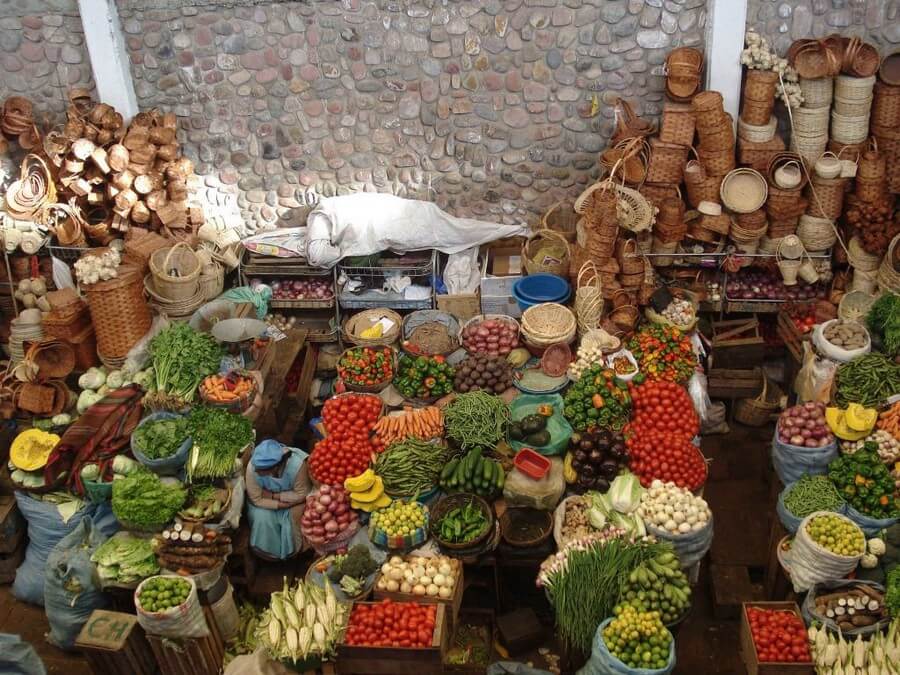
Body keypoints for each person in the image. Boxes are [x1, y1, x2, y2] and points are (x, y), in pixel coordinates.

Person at [245, 439, 311, 560]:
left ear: (275, 467)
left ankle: (295, 553)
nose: (257, 472)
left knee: (295, 518)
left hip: (294, 503)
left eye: (262, 471)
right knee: (262, 518)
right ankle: (269, 556)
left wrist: (274, 496)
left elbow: (302, 493)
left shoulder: (297, 465)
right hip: (263, 505)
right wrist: (279, 505)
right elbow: (257, 499)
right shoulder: (252, 468)